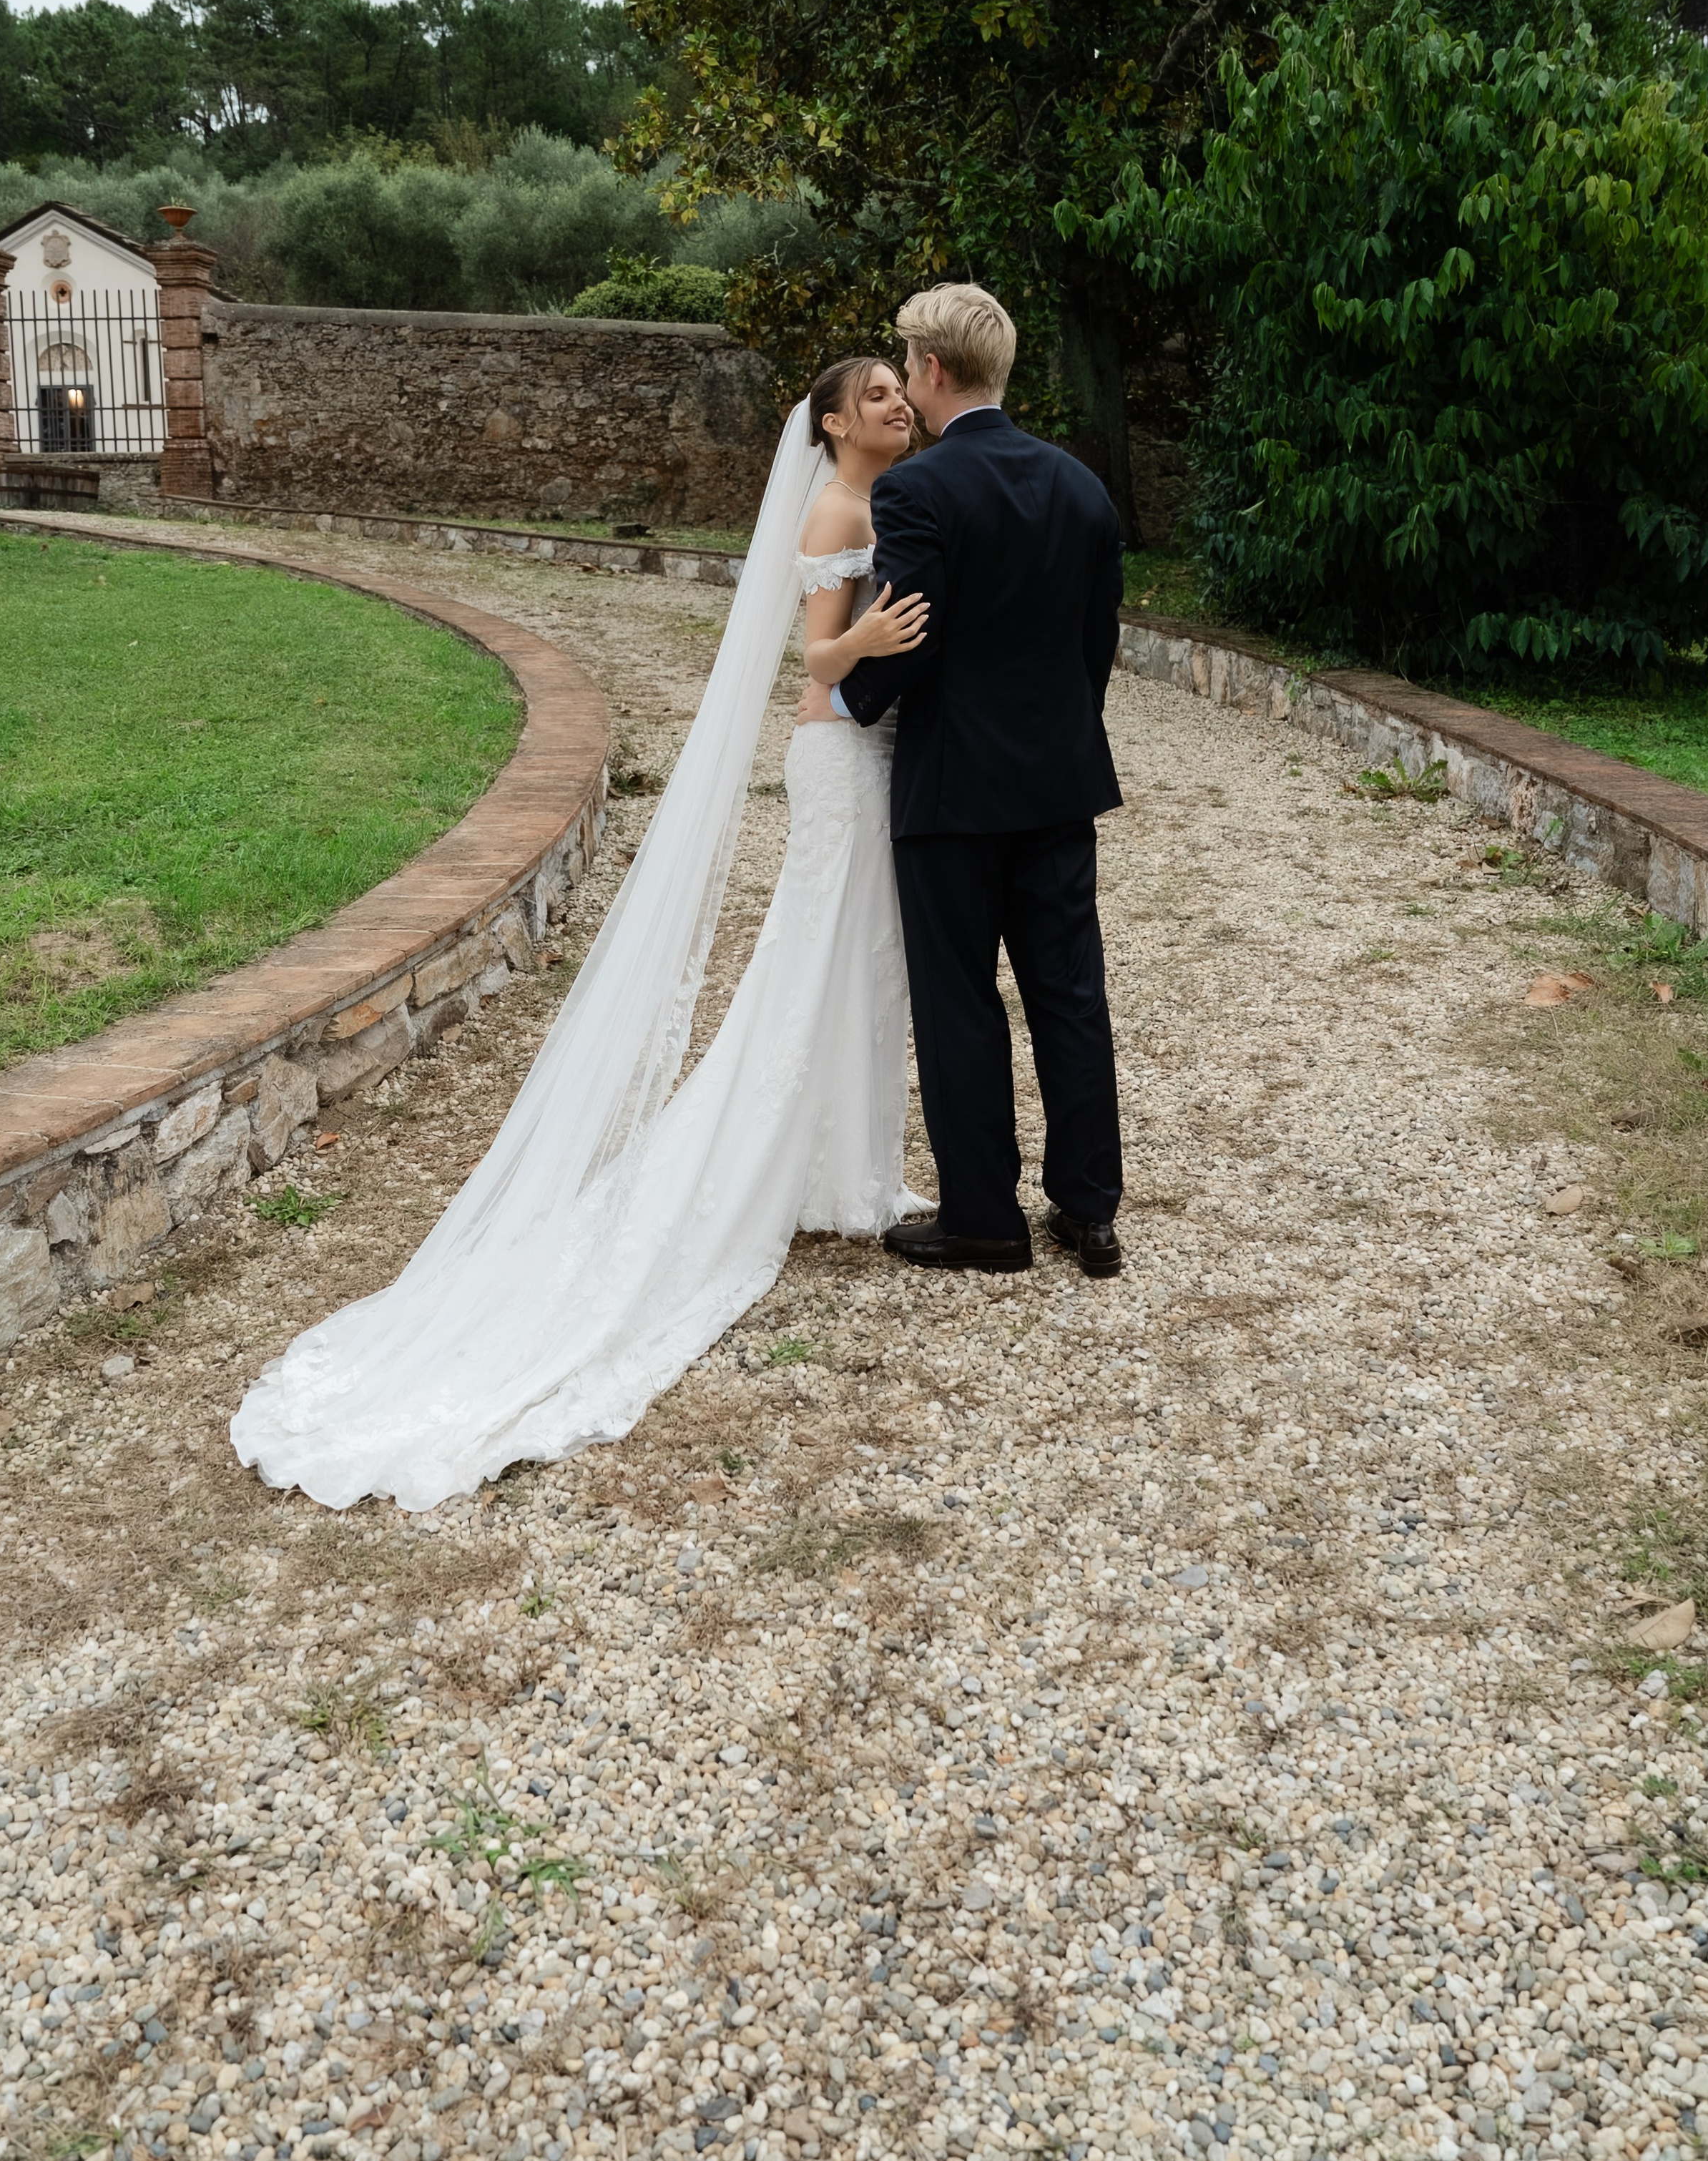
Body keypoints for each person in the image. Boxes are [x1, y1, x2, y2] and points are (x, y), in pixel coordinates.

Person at [230, 357, 932, 1513]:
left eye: (900, 393)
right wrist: (872, 642)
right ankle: (794, 1170)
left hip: (867, 756)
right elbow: (808, 661)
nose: (896, 406)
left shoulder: (882, 499)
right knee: (816, 965)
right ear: (831, 425)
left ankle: (854, 1170)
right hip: (835, 756)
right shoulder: (837, 507)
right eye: (875, 398)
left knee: (853, 964)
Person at [813, 283, 1126, 1278]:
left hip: (952, 790)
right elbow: (1094, 649)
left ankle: (985, 1219)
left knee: (960, 1000)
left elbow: (911, 629)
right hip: (1059, 784)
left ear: (934, 371)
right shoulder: (1082, 486)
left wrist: (851, 698)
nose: (907, 384)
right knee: (1069, 994)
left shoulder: (918, 490)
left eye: (908, 368)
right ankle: (1090, 1211)